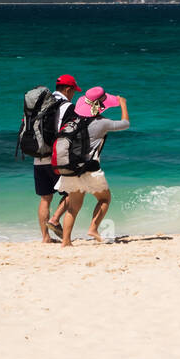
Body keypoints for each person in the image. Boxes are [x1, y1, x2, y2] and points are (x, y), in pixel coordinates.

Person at [59, 87, 129, 246]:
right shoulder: (102, 123)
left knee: (73, 207)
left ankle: (65, 241)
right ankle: (93, 228)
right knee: (105, 199)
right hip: (89, 168)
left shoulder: (73, 121)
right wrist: (123, 104)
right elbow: (125, 124)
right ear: (100, 106)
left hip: (70, 167)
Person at [35, 74, 80, 243]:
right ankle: (55, 219)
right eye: (73, 91)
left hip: (38, 156)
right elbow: (71, 133)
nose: (73, 94)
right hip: (57, 158)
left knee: (45, 198)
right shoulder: (68, 106)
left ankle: (45, 238)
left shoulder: (40, 103)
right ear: (68, 89)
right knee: (74, 191)